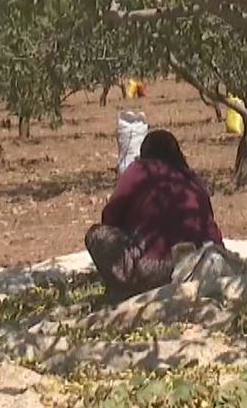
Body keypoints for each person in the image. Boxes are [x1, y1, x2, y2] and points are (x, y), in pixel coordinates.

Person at [85, 129, 224, 301]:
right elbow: (212, 231)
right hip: (196, 266)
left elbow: (110, 217)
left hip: (150, 269)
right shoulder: (192, 180)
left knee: (96, 234)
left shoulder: (139, 170)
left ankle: (123, 291)